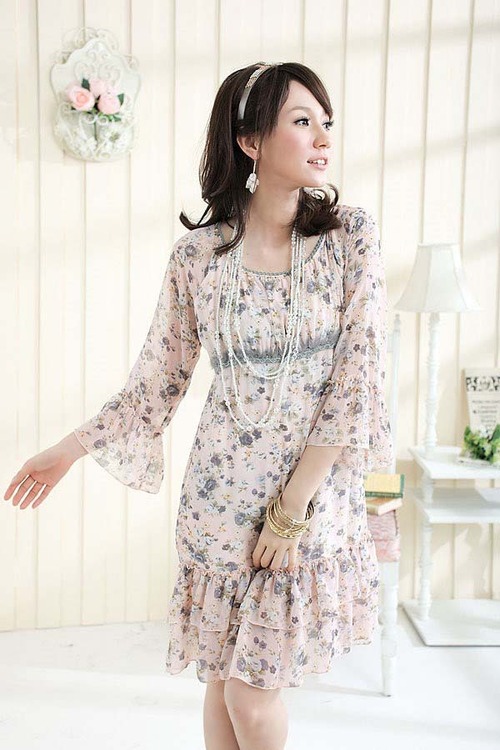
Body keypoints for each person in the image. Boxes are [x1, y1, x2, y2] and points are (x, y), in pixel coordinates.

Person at [3, 62, 394, 750]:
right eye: (302, 121)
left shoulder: (348, 239)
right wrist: (68, 449)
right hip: (219, 505)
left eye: (326, 122)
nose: (323, 138)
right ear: (250, 141)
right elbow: (156, 381)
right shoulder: (199, 257)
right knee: (220, 682)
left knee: (251, 694)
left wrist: (291, 511)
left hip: (309, 502)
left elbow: (357, 380)